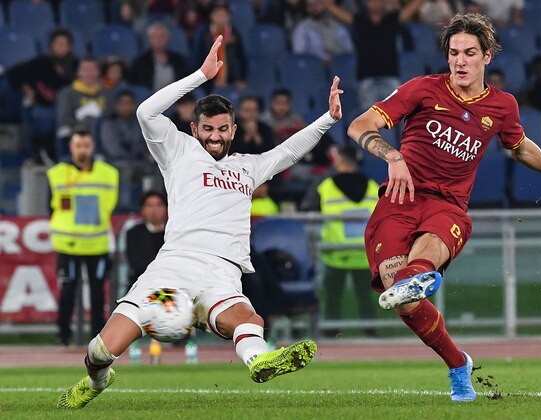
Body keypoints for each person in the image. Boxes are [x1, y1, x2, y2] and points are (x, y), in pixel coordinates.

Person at [57, 34, 343, 409]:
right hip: (171, 271)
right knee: (102, 349)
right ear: (195, 129)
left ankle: (260, 360)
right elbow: (146, 112)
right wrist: (200, 75)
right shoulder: (178, 150)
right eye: (207, 129)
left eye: (223, 129)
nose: (215, 136)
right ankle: (98, 379)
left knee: (246, 316)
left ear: (233, 131)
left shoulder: (248, 167)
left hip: (220, 273)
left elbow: (289, 150)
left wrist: (327, 119)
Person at [346, 13, 541, 402]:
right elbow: (359, 124)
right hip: (398, 201)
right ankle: (458, 363)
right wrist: (393, 156)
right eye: (454, 52)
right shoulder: (422, 89)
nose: (460, 61)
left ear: (487, 56)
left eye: (469, 53)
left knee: (411, 277)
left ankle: (418, 274)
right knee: (403, 300)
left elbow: (518, 146)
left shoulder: (503, 106)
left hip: (448, 206)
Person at [47, 130, 119, 347]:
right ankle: (63, 336)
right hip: (67, 245)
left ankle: (98, 337)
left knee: (98, 294)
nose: (82, 150)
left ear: (93, 146)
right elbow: (50, 207)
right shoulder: (57, 174)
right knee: (67, 292)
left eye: (86, 145)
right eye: (78, 146)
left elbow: (110, 205)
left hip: (97, 244)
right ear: (71, 147)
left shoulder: (108, 173)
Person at [300, 145, 379, 337]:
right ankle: (371, 335)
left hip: (334, 253)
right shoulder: (373, 187)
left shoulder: (325, 186)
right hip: (364, 253)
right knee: (366, 298)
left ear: (338, 161)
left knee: (332, 298)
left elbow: (307, 213)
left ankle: (331, 334)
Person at [323, 0, 423, 109]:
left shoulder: (392, 19)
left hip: (390, 76)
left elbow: (411, 9)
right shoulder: (359, 20)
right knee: (368, 120)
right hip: (366, 79)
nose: (375, 3)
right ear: (366, 3)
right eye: (371, 1)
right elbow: (332, 9)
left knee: (395, 117)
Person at [6, 28, 78, 162]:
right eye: (58, 43)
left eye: (64, 44)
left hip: (70, 110)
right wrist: (27, 89)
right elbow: (12, 75)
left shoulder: (76, 66)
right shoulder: (40, 63)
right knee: (51, 118)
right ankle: (48, 156)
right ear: (51, 46)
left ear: (70, 47)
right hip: (44, 107)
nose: (61, 47)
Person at [56, 57, 111, 145]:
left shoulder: (106, 92)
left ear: (98, 72)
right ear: (78, 72)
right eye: (85, 69)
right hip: (76, 131)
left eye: (93, 69)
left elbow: (111, 115)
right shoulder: (67, 93)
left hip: (102, 132)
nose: (89, 73)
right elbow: (64, 118)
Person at [128, 22, 190, 92]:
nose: (159, 40)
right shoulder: (140, 62)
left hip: (176, 98)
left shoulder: (179, 60)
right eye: (155, 37)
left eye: (162, 37)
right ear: (149, 40)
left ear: (168, 39)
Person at [125, 191, 167, 291]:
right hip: (142, 286)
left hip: (169, 285)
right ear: (142, 209)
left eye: (159, 205)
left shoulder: (174, 232)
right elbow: (136, 264)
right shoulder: (134, 233)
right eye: (149, 205)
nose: (154, 210)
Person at [292, 0, 354, 66]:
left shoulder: (336, 26)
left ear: (324, 5)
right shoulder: (302, 28)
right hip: (315, 67)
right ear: (307, 8)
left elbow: (349, 50)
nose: (314, 7)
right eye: (310, 5)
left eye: (317, 4)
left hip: (339, 65)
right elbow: (299, 55)